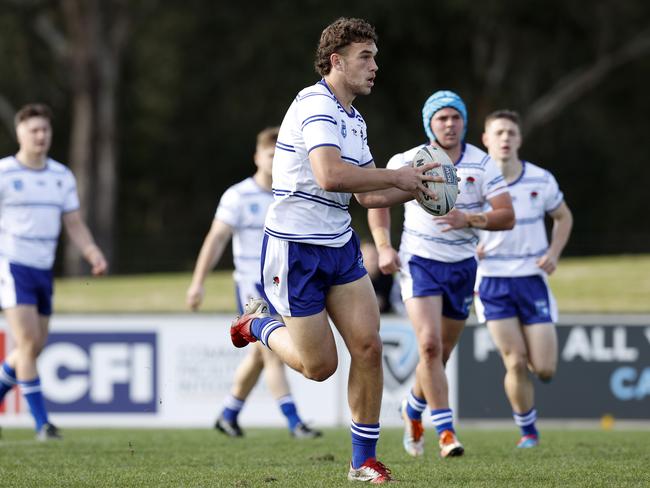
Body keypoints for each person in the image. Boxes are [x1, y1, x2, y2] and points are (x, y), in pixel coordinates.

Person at [229, 17, 445, 484]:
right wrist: (397, 176)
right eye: (365, 57)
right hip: (295, 250)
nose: (374, 66)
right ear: (336, 61)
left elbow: (367, 196)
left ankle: (362, 461)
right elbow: (330, 175)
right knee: (319, 367)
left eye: (375, 57)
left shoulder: (353, 119)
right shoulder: (314, 105)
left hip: (340, 247)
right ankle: (258, 323)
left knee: (368, 347)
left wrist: (420, 188)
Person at [367, 90, 515, 459]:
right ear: (429, 124)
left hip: (463, 266)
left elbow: (506, 215)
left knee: (442, 353)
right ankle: (446, 431)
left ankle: (412, 408)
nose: (449, 124)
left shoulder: (482, 165)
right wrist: (384, 247)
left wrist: (470, 218)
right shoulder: (408, 160)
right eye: (441, 118)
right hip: (419, 261)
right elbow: (377, 203)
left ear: (464, 122)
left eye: (455, 118)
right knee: (429, 345)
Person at [186, 127, 321, 439]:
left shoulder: (289, 193)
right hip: (251, 288)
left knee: (260, 355)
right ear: (257, 157)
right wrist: (198, 283)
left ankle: (228, 414)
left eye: (280, 155)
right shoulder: (238, 196)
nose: (275, 161)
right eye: (270, 155)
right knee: (272, 352)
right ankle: (294, 422)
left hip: (283, 286)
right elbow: (215, 239)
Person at [0, 103, 107, 440]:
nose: (41, 136)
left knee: (35, 347)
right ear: (20, 133)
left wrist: (92, 252)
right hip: (11, 265)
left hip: (43, 270)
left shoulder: (61, 176)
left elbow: (73, 222)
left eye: (45, 130)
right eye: (34, 130)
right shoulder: (4, 172)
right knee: (28, 341)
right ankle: (42, 424)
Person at [475, 109, 573, 448]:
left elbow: (563, 217)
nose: (505, 139)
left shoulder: (540, 179)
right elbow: (452, 220)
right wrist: (470, 247)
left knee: (543, 368)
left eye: (511, 133)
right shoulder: (473, 180)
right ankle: (528, 432)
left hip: (532, 279)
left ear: (519, 139)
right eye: (498, 132)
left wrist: (555, 254)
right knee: (514, 360)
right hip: (492, 282)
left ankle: (528, 422)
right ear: (486, 139)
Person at [360, 240, 395, 314]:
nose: (373, 262)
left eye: (375, 258)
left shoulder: (387, 276)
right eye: (370, 258)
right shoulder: (354, 279)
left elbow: (393, 301)